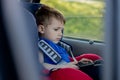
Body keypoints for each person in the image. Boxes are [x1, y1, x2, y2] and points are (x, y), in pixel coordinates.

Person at [35, 4, 103, 80]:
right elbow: (41, 66)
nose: (60, 33)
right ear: (42, 29)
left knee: (94, 60)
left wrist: (77, 62)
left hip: (66, 66)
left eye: (61, 30)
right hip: (56, 73)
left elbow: (65, 60)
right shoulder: (40, 46)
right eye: (56, 29)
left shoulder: (55, 45)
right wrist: (63, 67)